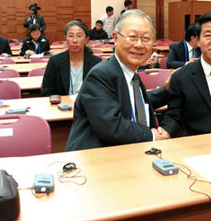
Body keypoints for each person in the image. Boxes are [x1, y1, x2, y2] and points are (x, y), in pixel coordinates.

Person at [65, 9, 170, 151]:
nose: (139, 45)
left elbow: (132, 104)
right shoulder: (100, 75)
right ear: (115, 38)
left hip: (130, 154)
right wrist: (151, 136)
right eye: (132, 37)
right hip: (98, 160)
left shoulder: (132, 74)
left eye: (146, 38)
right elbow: (110, 126)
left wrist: (168, 90)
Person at [41, 21, 102, 96]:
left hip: (87, 105)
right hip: (61, 106)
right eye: (70, 36)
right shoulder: (55, 62)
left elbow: (101, 92)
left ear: (86, 39)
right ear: (65, 38)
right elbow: (46, 92)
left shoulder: (96, 63)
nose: (74, 40)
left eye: (79, 36)